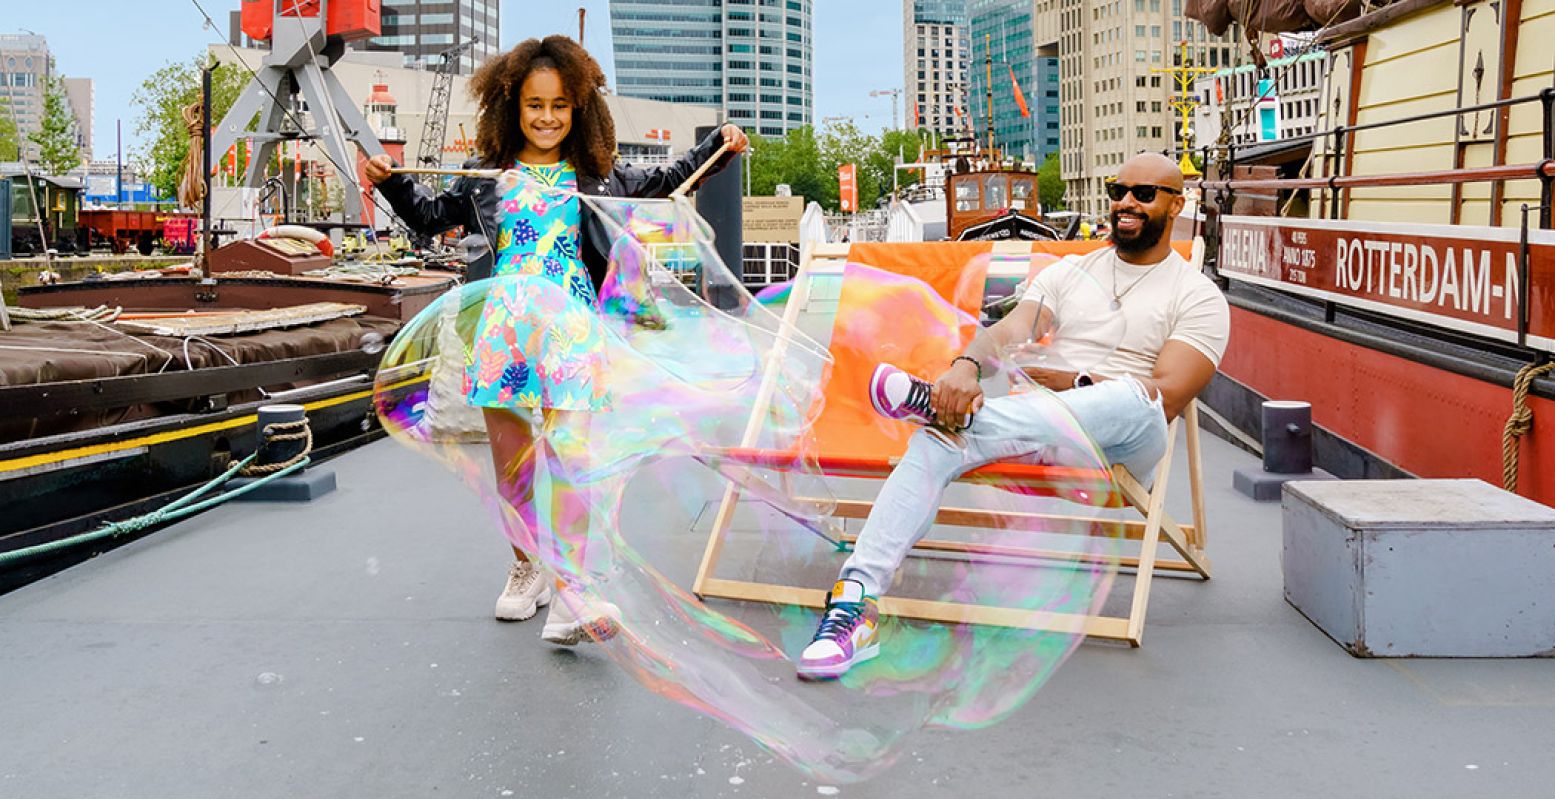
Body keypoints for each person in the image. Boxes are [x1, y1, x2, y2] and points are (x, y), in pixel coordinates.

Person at [365, 35, 748, 644]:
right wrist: (389, 182)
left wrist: (718, 145)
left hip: (569, 328)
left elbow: (668, 179)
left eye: (561, 105)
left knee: (571, 458)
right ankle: (527, 571)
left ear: (579, 110)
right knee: (514, 465)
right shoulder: (485, 177)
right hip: (504, 327)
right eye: (535, 104)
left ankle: (572, 591)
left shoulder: (595, 177)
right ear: (511, 106)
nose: (547, 117)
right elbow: (428, 216)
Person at [796, 152, 1230, 680]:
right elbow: (1010, 329)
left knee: (1130, 397)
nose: (1125, 204)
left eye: (1143, 194)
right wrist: (965, 367)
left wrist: (1079, 382)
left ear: (1176, 204)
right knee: (937, 440)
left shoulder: (1197, 296)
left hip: (1120, 447)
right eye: (1118, 191)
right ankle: (854, 606)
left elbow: (1168, 395)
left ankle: (947, 412)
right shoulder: (1074, 273)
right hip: (1040, 431)